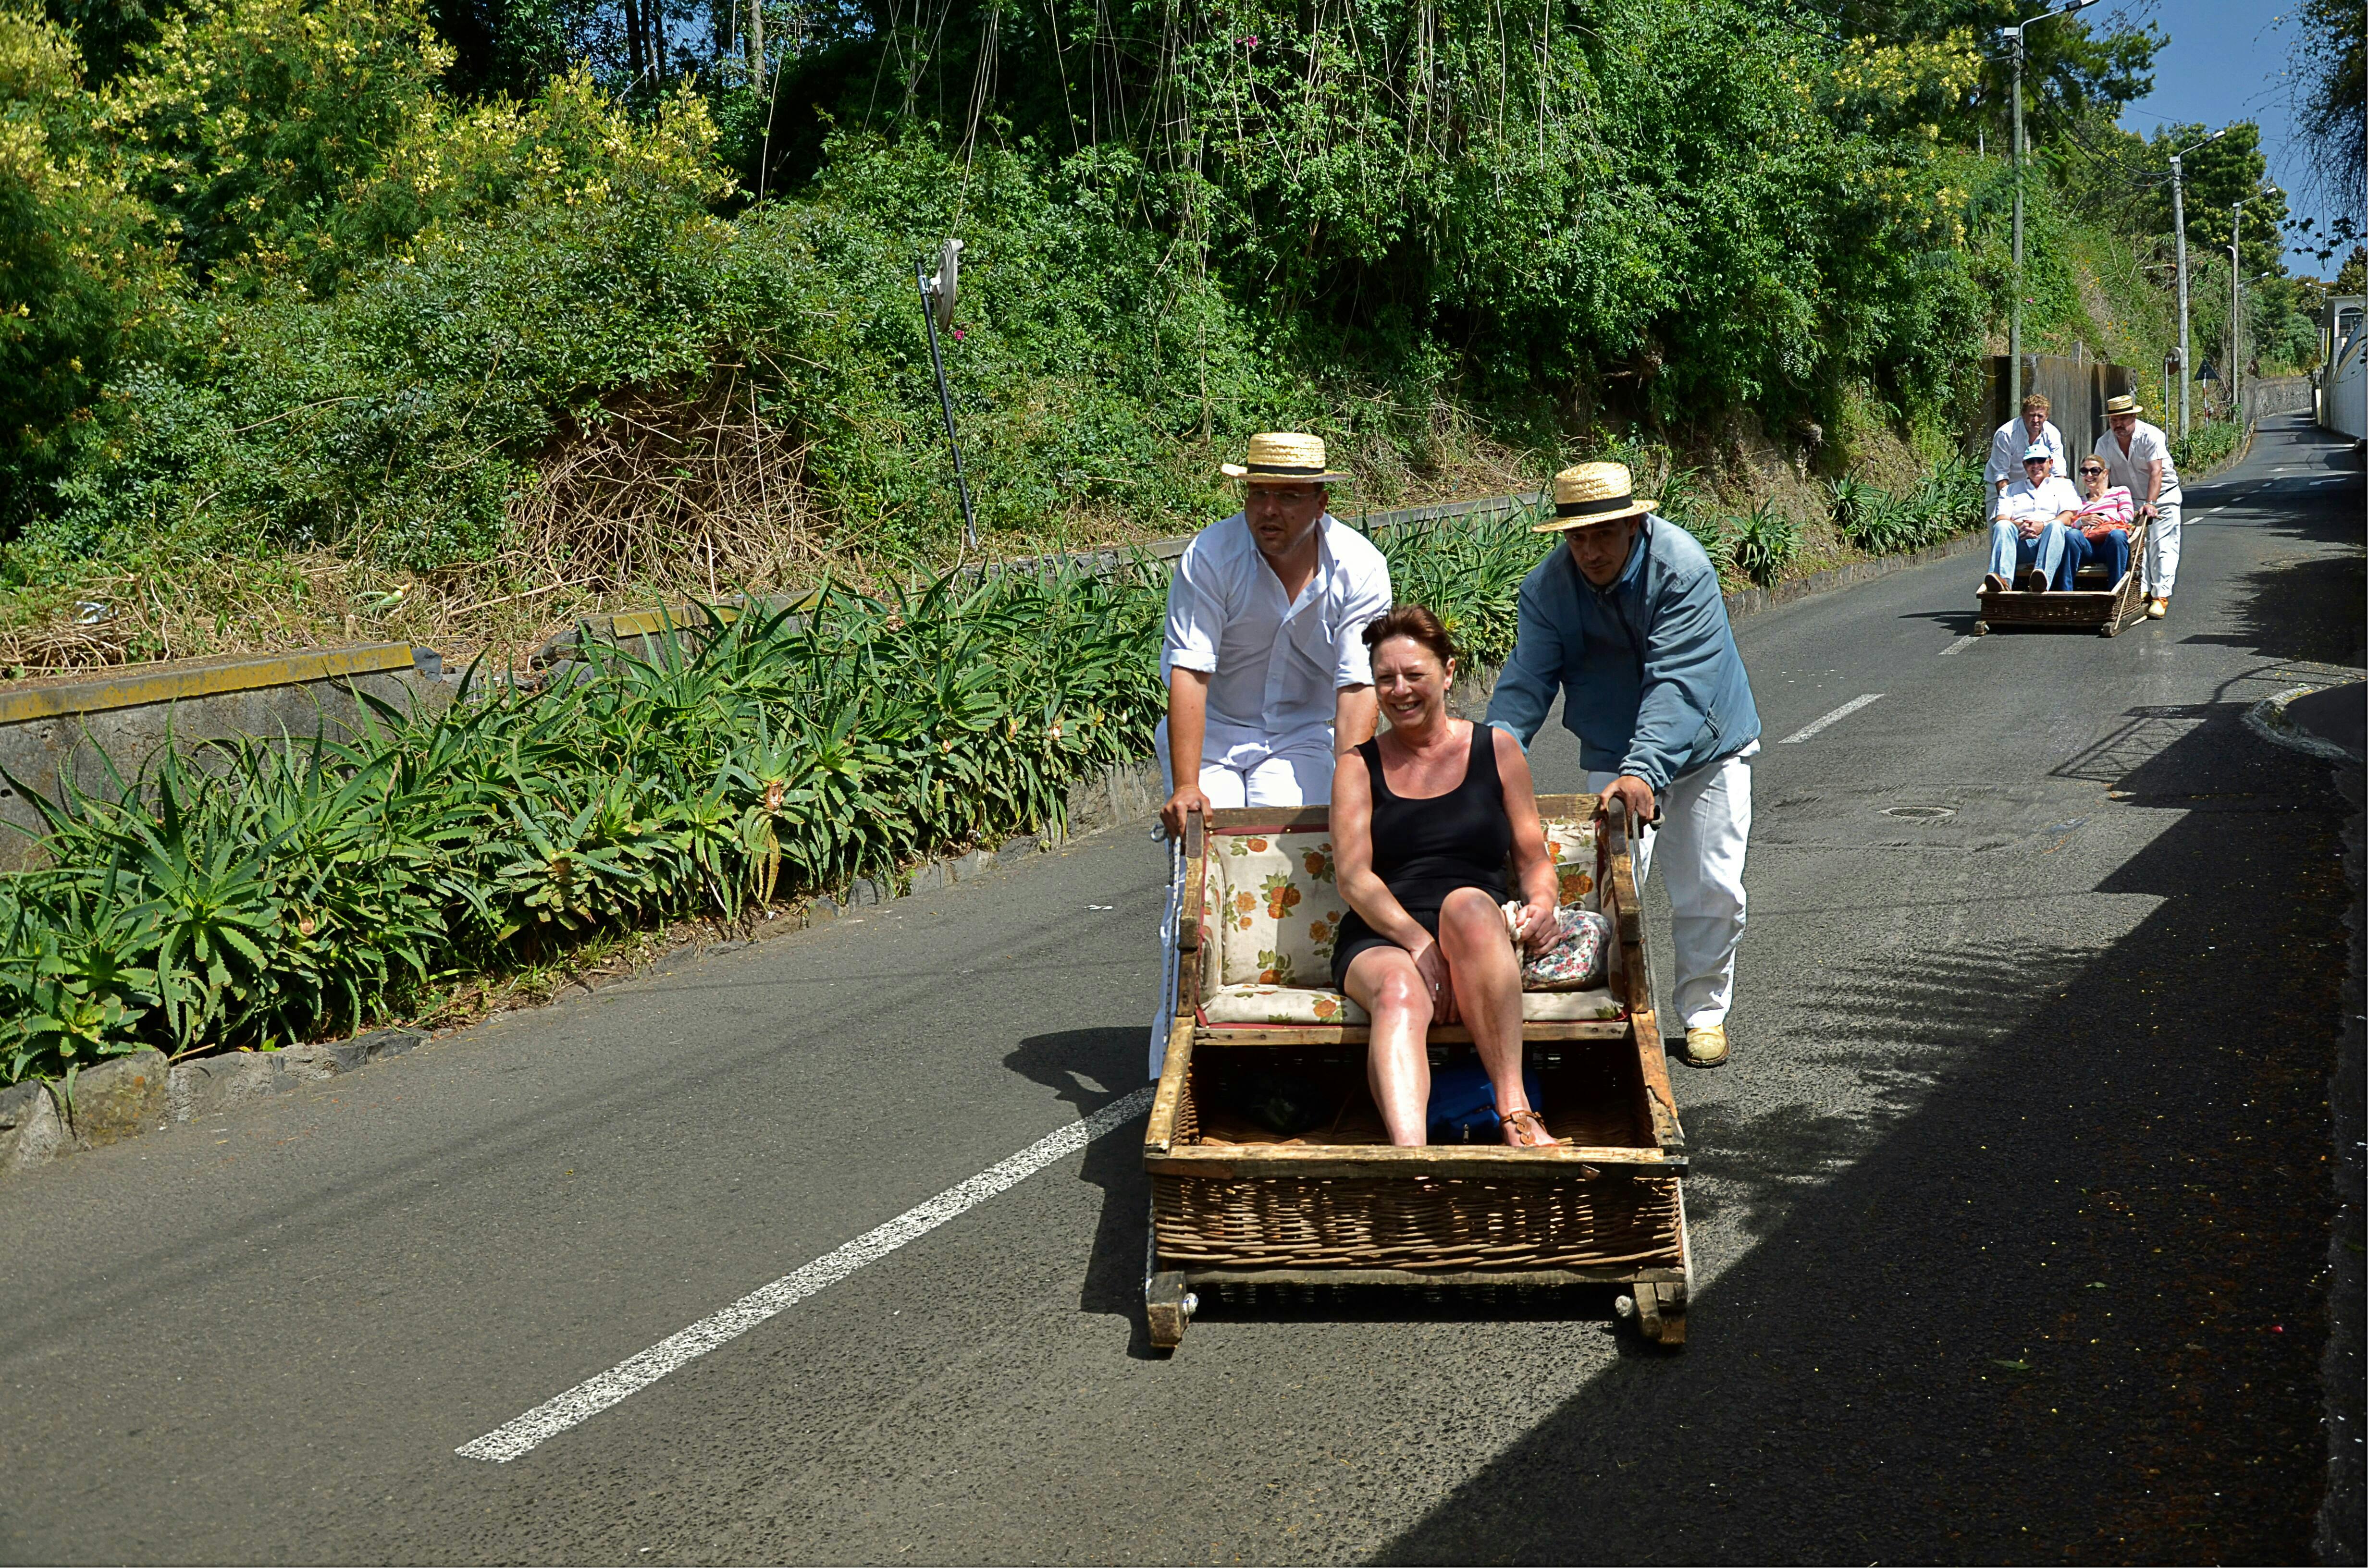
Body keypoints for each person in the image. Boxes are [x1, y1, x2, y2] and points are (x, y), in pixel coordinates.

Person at [1485, 462, 1760, 1069]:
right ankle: (1606, 1019)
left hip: (1706, 749)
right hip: (1613, 756)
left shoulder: (1682, 569)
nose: (1589, 550)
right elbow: (1524, 684)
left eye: (1603, 534)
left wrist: (1643, 770)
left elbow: (1679, 683)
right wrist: (1483, 760)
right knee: (1604, 895)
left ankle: (1703, 1014)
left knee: (1710, 890)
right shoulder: (1547, 589)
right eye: (1576, 537)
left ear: (1635, 524)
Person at [1330, 605, 1562, 1147]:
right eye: (1385, 679)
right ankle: (1411, 1159)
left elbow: (1531, 857)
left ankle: (1515, 1113)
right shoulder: (1356, 766)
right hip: (1384, 932)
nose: (1399, 690)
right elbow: (1353, 877)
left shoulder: (1496, 749)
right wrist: (1416, 943)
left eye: (1414, 675)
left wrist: (1543, 904)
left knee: (1467, 904)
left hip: (1474, 928)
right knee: (1399, 992)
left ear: (1448, 673)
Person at [1157, 433, 1391, 836]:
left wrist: (1351, 789)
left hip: (1301, 734)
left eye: (1288, 496)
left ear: (1321, 504)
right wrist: (1188, 786)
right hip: (1211, 729)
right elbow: (1191, 669)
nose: (1268, 509)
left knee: (1301, 862)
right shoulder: (1211, 556)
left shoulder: (1360, 568)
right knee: (1204, 866)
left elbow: (1357, 685)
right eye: (1258, 492)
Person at [2092, 392, 2183, 620]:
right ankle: (2141, 591)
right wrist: (2099, 504)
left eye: (2123, 419)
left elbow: (2156, 471)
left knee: (2161, 546)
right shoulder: (2104, 443)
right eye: (2114, 420)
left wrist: (2151, 504)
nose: (2118, 425)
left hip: (2163, 496)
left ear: (2133, 416)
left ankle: (2161, 596)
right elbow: (2103, 476)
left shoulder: (2151, 435)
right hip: (2130, 500)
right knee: (2137, 548)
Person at [1984, 445, 2084, 593]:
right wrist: (2022, 526)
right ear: (2025, 465)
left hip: (2052, 541)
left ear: (2050, 463)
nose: (2035, 466)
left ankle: (2041, 580)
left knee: (2056, 526)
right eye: (2031, 462)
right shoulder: (2010, 490)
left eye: (2040, 461)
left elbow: (2069, 516)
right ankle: (2002, 582)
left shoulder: (2064, 485)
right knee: (2002, 526)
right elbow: (2002, 518)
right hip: (2022, 541)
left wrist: (2042, 526)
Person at [1985, 392, 2065, 517]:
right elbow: (2001, 474)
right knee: (2001, 530)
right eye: (2032, 415)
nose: (2036, 420)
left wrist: (2061, 502)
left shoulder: (2053, 434)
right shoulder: (2006, 434)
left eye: (2040, 416)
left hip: (2035, 488)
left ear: (2047, 416)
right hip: (2003, 487)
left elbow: (2058, 471)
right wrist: (2007, 508)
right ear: (2023, 414)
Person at [2065, 453, 2135, 589]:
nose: (2089, 475)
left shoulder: (2120, 491)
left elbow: (2127, 515)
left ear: (2105, 473)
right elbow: (2071, 523)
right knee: (2072, 535)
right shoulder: (2079, 500)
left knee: (2118, 535)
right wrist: (2082, 521)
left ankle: (2116, 592)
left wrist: (2099, 519)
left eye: (2094, 471)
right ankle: (2066, 592)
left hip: (2109, 544)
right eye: (2084, 471)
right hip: (2088, 546)